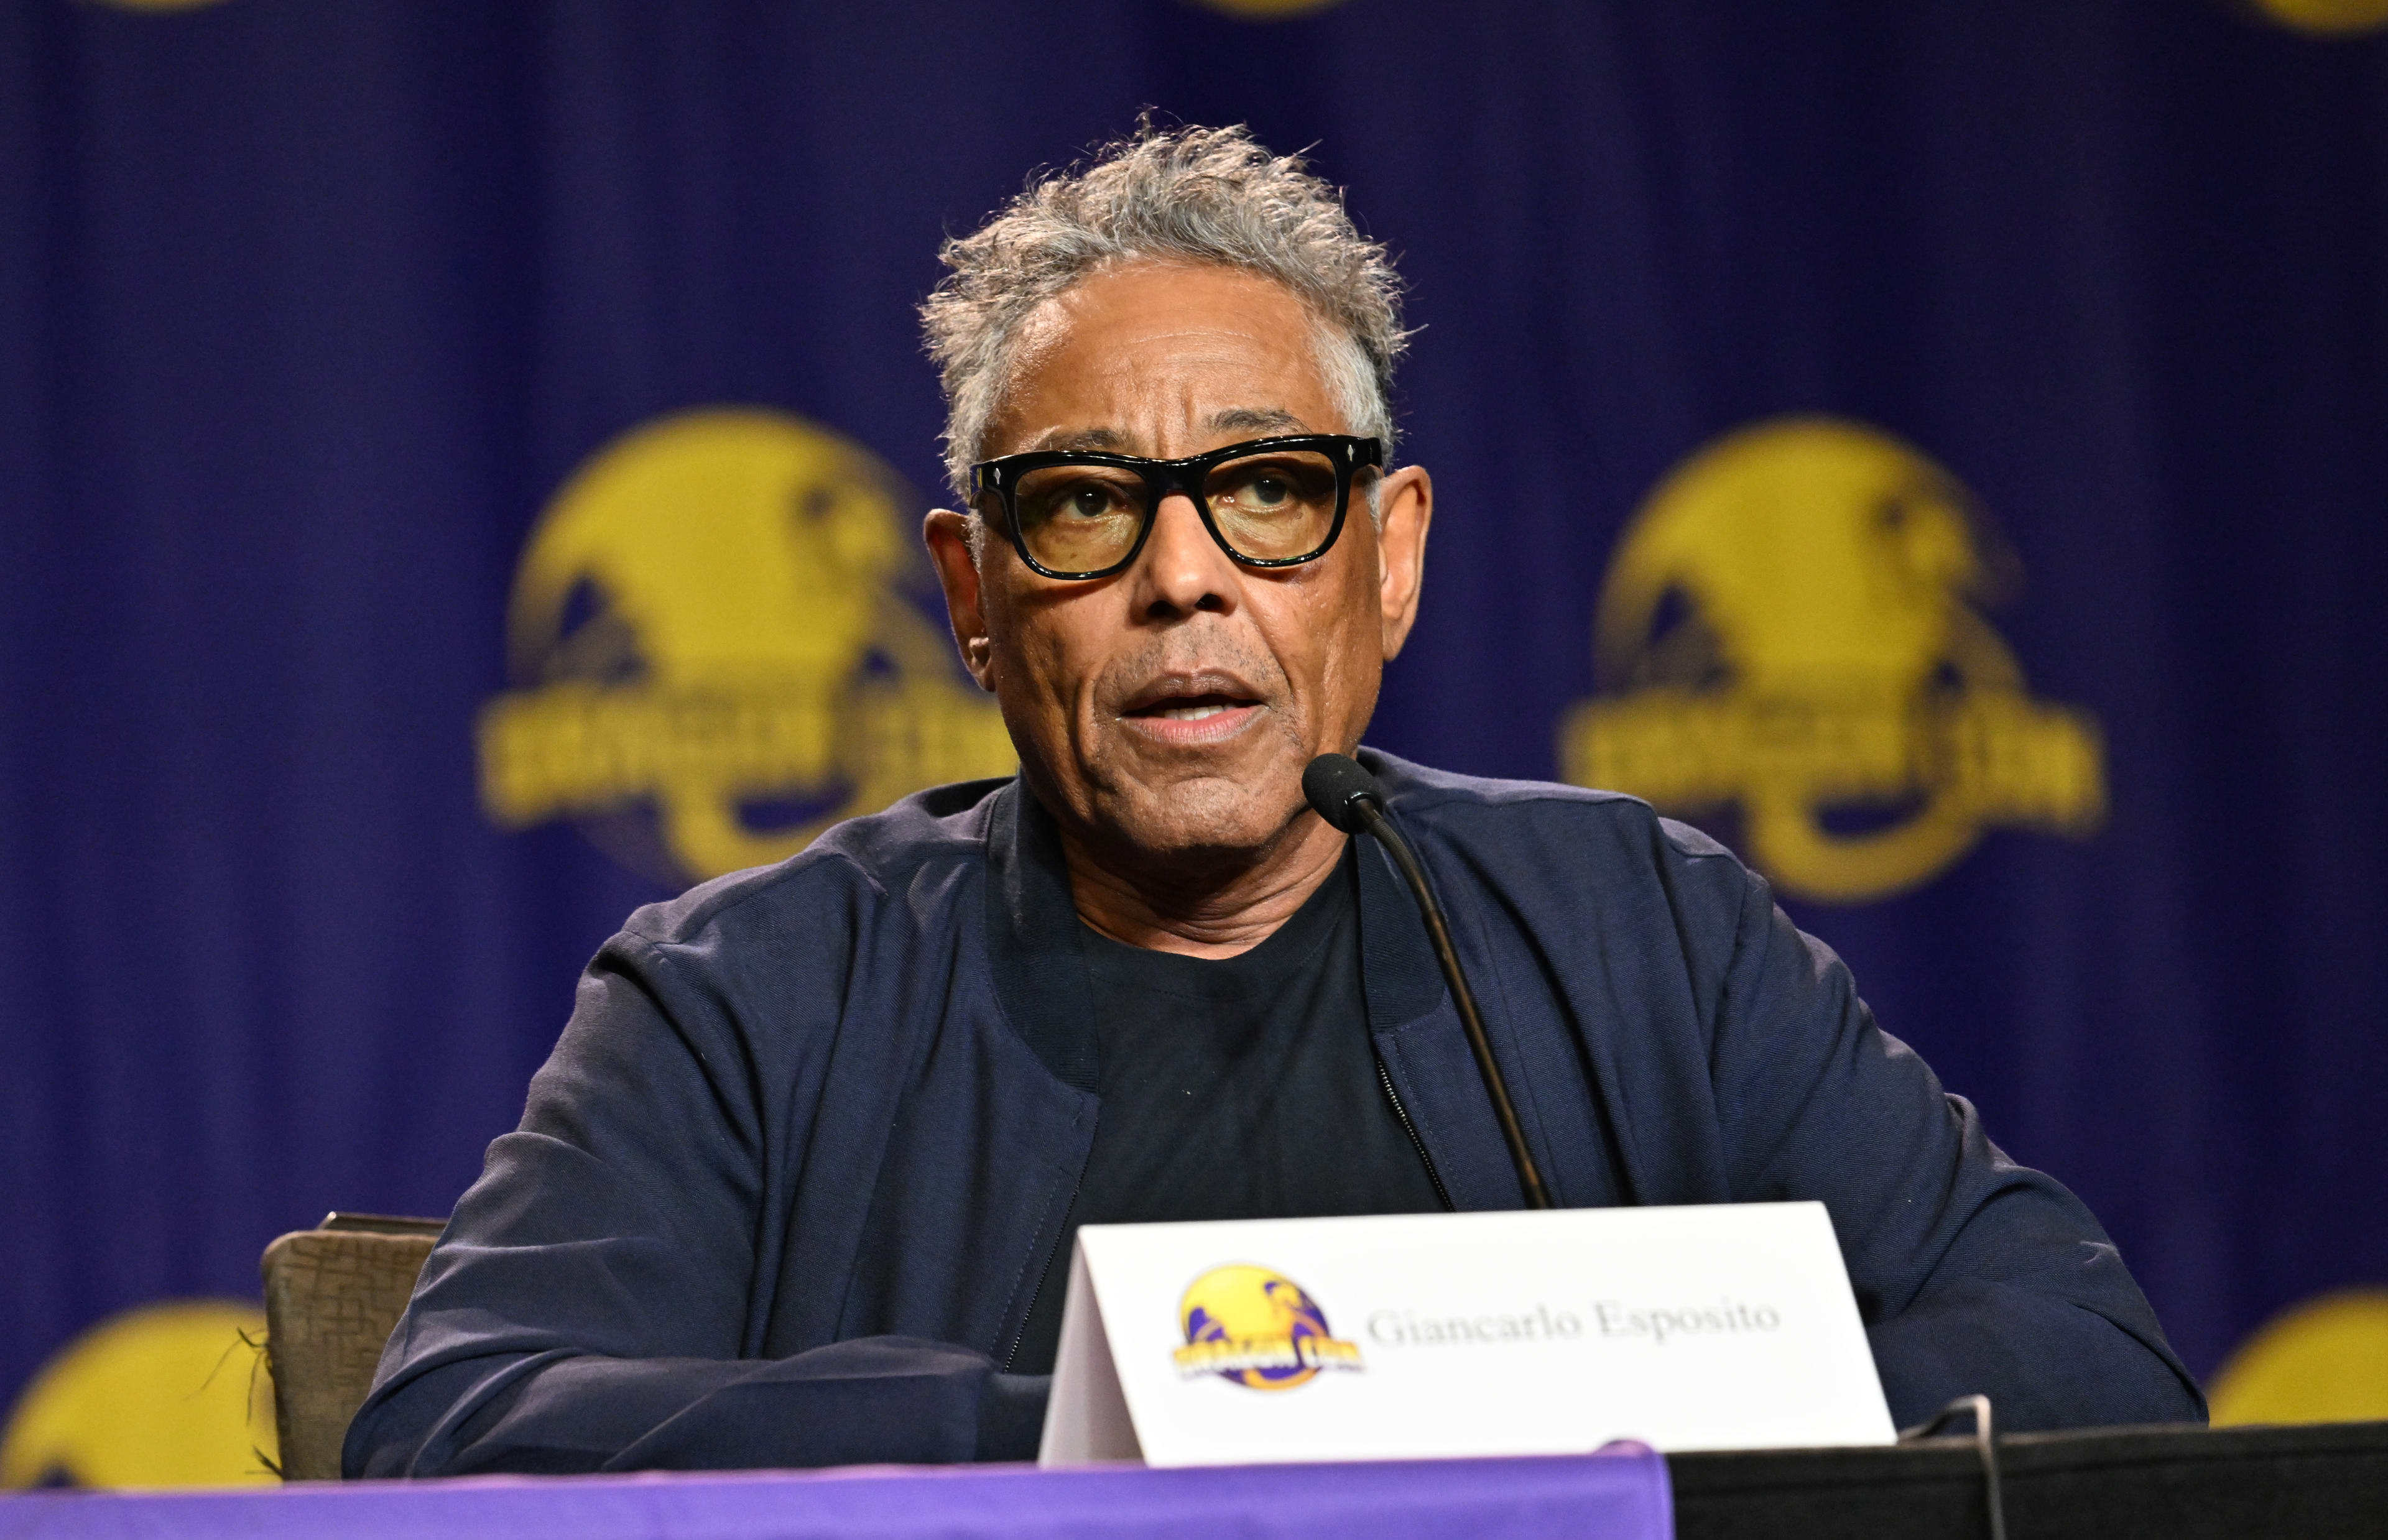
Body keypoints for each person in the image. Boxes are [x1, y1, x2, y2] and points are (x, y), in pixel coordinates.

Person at [345, 124, 2202, 1478]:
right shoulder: (749, 995)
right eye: (1085, 505)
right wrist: (1115, 1426)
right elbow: (456, 1428)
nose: (1186, 581)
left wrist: (1613, 1409)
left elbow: (2083, 1364)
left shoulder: (1637, 926)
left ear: (1387, 560)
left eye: (1270, 489)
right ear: (974, 595)